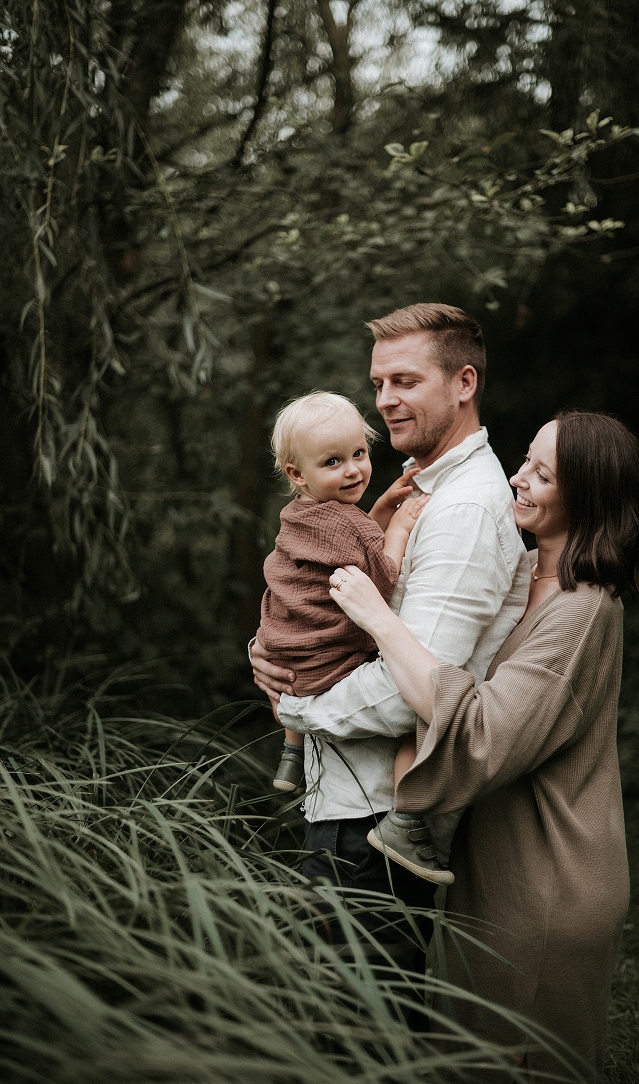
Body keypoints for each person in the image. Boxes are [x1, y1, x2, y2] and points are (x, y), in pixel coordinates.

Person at [326, 411, 639, 1080]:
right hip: (501, 871)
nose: (518, 477)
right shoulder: (529, 576)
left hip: (546, 883)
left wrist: (378, 617)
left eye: (542, 473)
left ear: (588, 498)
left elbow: (485, 733)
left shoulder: (582, 609)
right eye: (524, 460)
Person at [250, 304, 530, 960]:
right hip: (349, 808)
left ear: (464, 383)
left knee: (366, 1041)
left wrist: (294, 703)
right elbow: (314, 594)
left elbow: (416, 687)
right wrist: (270, 648)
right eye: (378, 384)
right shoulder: (406, 494)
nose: (385, 401)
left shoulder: (460, 510)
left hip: (373, 824)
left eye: (404, 381)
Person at [255, 390, 449, 883]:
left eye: (359, 454)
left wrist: (381, 505)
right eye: (333, 462)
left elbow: (353, 543)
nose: (352, 471)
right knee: (422, 718)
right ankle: (406, 822)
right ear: (297, 474)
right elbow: (379, 575)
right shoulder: (348, 524)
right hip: (327, 663)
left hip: (287, 652)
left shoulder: (302, 515)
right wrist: (401, 526)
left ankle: (291, 751)